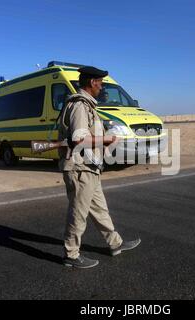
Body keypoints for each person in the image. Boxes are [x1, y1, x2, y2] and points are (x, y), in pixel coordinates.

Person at [58, 66, 141, 269]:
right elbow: (79, 138)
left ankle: (116, 243)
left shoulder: (88, 106)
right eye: (101, 83)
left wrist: (105, 143)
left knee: (100, 210)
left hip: (90, 167)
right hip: (80, 168)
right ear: (92, 83)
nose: (102, 87)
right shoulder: (79, 105)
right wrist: (107, 138)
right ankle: (71, 254)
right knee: (79, 212)